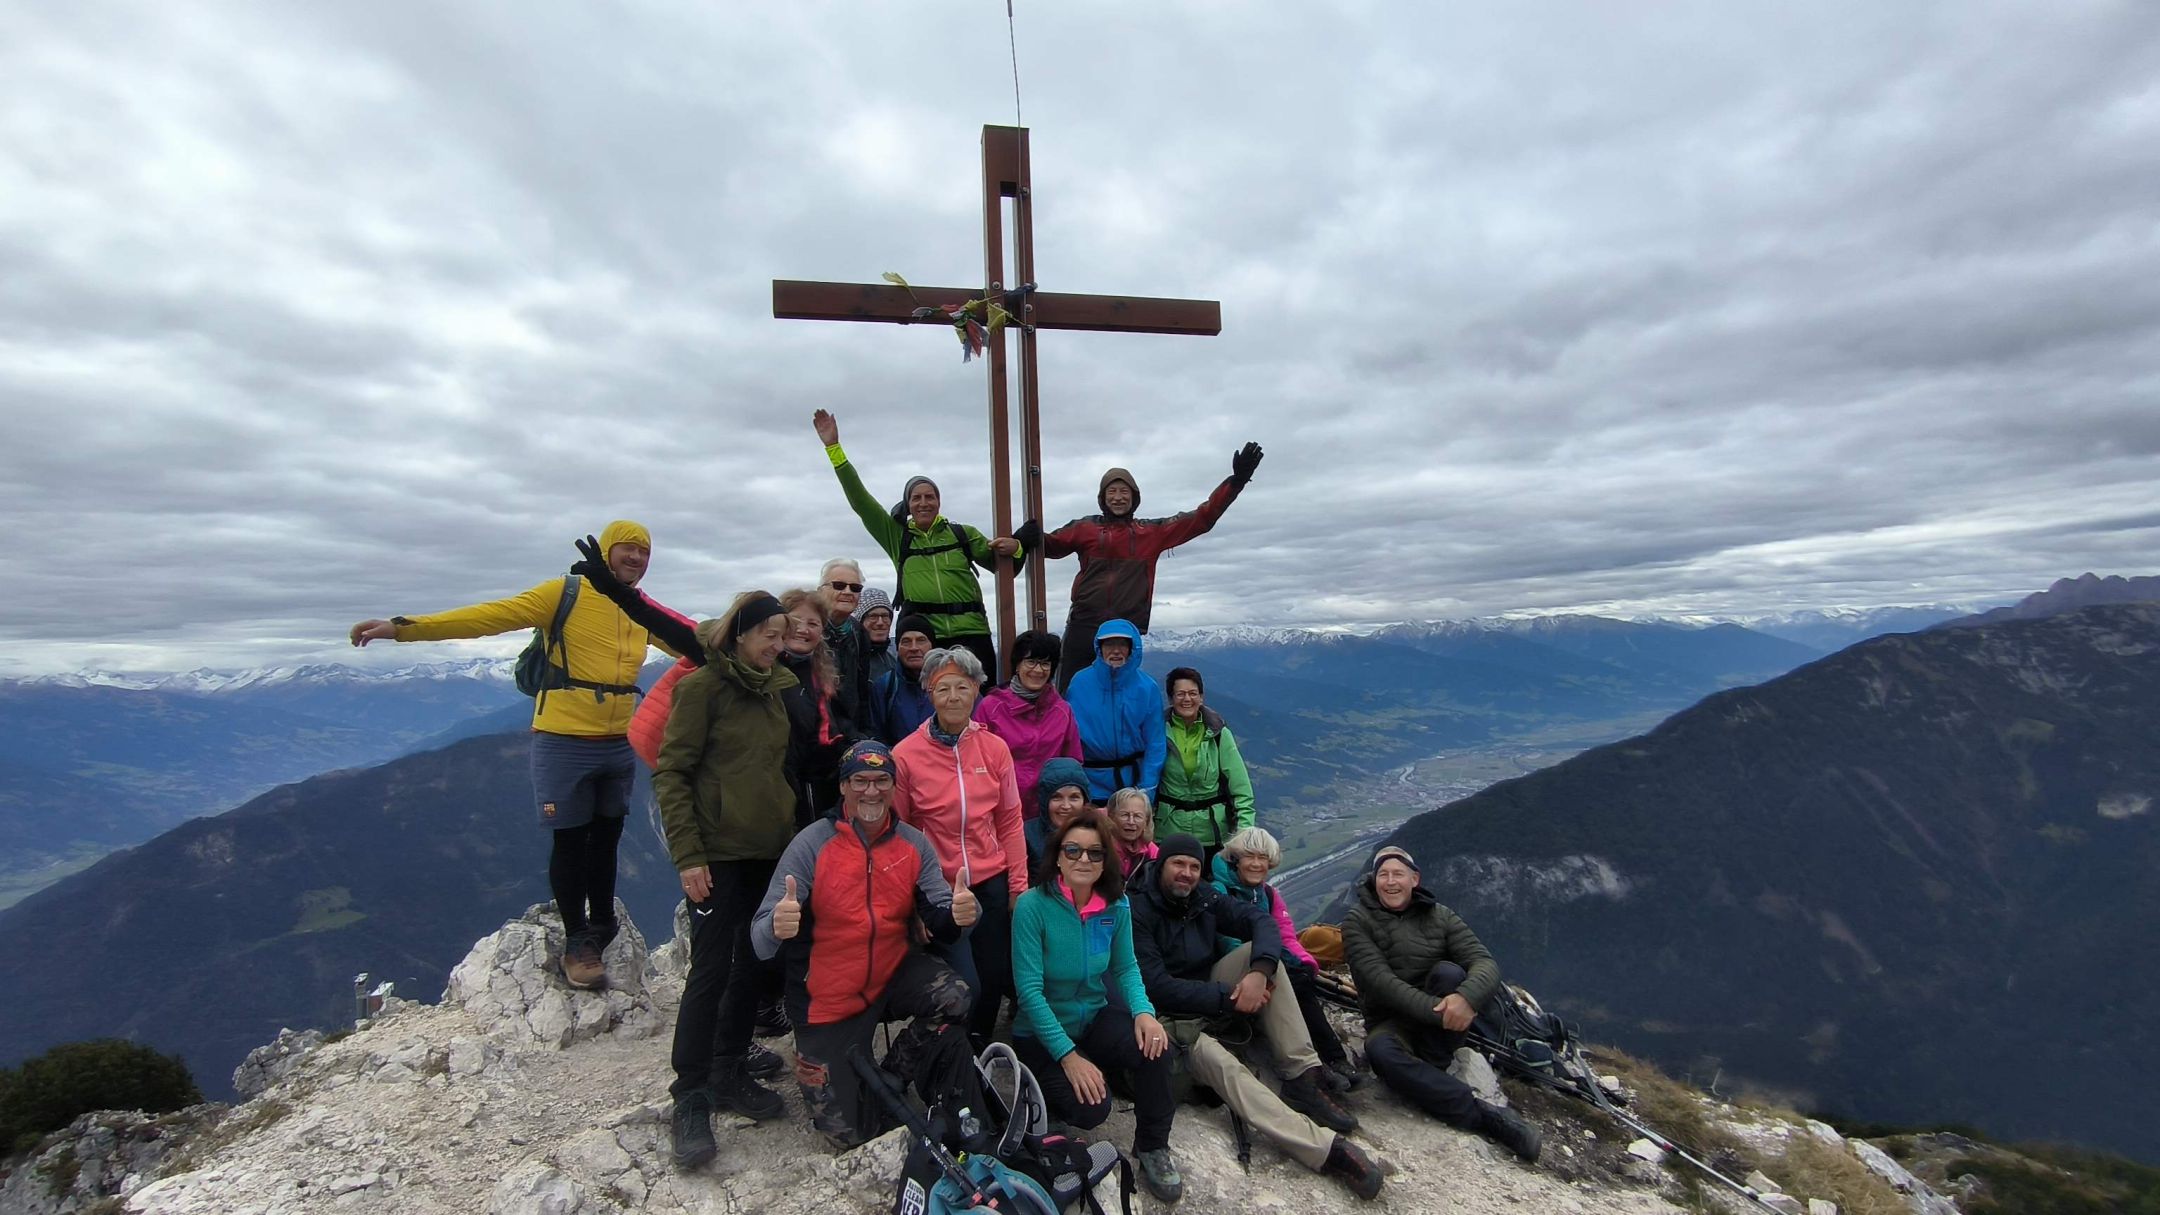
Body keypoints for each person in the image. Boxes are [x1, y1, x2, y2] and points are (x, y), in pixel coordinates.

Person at [348, 520, 673, 990]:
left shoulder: (640, 608)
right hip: (562, 739)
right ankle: (577, 940)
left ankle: (603, 923)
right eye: (628, 549)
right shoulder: (564, 594)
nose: (637, 559)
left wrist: (766, 634)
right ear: (605, 552)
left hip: (618, 741)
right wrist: (401, 629)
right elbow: (489, 616)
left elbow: (692, 641)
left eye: (644, 552)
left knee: (607, 836)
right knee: (569, 839)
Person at [748, 741, 977, 1151]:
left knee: (956, 996)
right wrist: (778, 927)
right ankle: (855, 1071)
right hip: (827, 999)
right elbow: (760, 939)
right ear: (843, 787)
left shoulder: (913, 844)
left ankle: (892, 1073)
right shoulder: (811, 845)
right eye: (860, 781)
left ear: (894, 787)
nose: (871, 791)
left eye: (881, 781)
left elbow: (940, 915)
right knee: (848, 1135)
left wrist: (958, 917)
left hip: (889, 975)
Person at [652, 594, 800, 1156]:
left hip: (767, 849)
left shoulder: (773, 688)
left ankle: (730, 1068)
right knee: (711, 969)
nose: (777, 643)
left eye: (781, 634)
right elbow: (672, 773)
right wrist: (688, 855)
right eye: (767, 633)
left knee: (752, 962)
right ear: (737, 634)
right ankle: (690, 1094)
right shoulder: (702, 688)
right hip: (716, 855)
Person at [1129, 835, 1358, 1136]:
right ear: (1160, 866)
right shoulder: (1137, 909)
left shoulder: (1203, 896)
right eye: (1178, 863)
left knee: (1262, 955)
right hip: (1165, 1010)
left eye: (1194, 866)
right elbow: (1155, 986)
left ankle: (1303, 1075)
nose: (1187, 872)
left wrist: (1259, 972)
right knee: (1224, 1063)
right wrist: (1229, 998)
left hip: (1206, 986)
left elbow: (1260, 921)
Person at [1010, 811, 1184, 1204]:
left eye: (1094, 852)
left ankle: (1153, 1146)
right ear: (1057, 856)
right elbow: (1029, 993)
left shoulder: (1115, 906)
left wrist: (1143, 1012)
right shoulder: (1032, 907)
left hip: (1092, 1016)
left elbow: (1125, 966)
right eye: (1073, 850)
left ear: (1106, 859)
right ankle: (1042, 1100)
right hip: (1040, 1032)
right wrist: (1069, 1057)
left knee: (1157, 1047)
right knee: (1091, 1110)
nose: (1083, 860)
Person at [1342, 846, 1543, 1163]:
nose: (1390, 882)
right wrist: (1443, 1012)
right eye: (1383, 874)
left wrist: (1466, 999)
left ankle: (1429, 1069)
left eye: (1398, 874)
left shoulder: (1441, 915)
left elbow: (1484, 962)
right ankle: (1486, 1116)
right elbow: (1382, 984)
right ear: (1373, 880)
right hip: (1393, 1020)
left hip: (1446, 1022)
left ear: (1415, 879)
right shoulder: (1357, 921)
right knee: (1379, 1051)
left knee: (1450, 973)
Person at [1025, 445, 1262, 688]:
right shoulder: (1085, 529)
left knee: (1122, 692)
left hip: (1125, 628)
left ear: (1134, 496)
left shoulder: (1151, 533)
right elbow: (1051, 546)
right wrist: (1032, 536)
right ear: (1103, 498)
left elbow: (1202, 518)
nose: (1118, 497)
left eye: (1124, 491)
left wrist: (1236, 482)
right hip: (1083, 624)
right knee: (1070, 691)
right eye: (1112, 491)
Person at [812, 409, 1020, 679]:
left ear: (939, 501)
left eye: (930, 497)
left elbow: (1005, 568)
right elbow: (860, 501)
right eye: (917, 498)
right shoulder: (898, 537)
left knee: (981, 701)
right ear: (908, 504)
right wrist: (833, 448)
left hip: (973, 632)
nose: (924, 503)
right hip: (926, 639)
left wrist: (1018, 548)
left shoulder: (962, 534)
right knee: (931, 703)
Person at [890, 647, 1030, 1046]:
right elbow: (900, 833)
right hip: (938, 888)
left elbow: (1009, 820)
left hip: (990, 878)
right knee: (965, 980)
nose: (953, 697)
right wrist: (911, 905)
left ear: (976, 691)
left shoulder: (993, 748)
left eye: (963, 687)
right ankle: (951, 1050)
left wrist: (1017, 886)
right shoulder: (906, 755)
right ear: (929, 695)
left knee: (993, 974)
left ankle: (979, 1048)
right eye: (942, 688)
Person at [1211, 827, 1359, 1091]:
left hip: (1263, 964)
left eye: (1263, 858)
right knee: (1294, 981)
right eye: (1250, 857)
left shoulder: (1267, 894)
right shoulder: (1219, 890)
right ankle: (1324, 1063)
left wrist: (1305, 963)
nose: (1257, 864)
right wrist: (1265, 972)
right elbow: (1227, 942)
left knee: (1300, 977)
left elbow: (1287, 937)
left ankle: (1330, 1059)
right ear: (1235, 859)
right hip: (1234, 970)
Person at [973, 629, 1084, 813]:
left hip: (1049, 811)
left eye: (1045, 663)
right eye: (1031, 662)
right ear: (1017, 665)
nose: (1038, 670)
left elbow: (1073, 763)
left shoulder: (1062, 711)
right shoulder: (991, 707)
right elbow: (976, 760)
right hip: (1001, 808)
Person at [1158, 667, 1256, 865]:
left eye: (1193, 693)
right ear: (1170, 698)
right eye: (1181, 694)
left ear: (1201, 697)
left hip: (1213, 836)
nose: (1187, 699)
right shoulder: (1157, 731)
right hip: (1167, 834)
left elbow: (1241, 788)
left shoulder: (1219, 734)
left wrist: (1243, 834)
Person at [777, 588, 858, 823]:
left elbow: (838, 725)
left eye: (813, 623)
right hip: (776, 791)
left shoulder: (823, 675)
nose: (803, 630)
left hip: (818, 791)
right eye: (795, 622)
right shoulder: (763, 673)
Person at [1065, 619, 1165, 803]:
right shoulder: (1080, 683)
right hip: (1090, 786)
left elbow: (1155, 743)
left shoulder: (1146, 687)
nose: (1116, 650)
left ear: (1132, 648)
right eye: (1110, 644)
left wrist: (1147, 790)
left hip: (1133, 787)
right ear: (1099, 647)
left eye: (1122, 644)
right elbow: (1069, 737)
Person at [864, 613, 936, 745]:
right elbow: (876, 735)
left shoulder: (952, 683)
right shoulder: (885, 686)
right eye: (906, 642)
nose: (914, 648)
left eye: (921, 640)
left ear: (932, 645)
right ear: (897, 648)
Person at [817, 558, 873, 721]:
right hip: (815, 729)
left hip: (850, 728)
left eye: (855, 588)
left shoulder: (859, 633)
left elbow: (861, 690)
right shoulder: (808, 631)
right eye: (839, 585)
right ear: (820, 590)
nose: (848, 592)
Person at [1023, 757, 1092, 886]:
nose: (1066, 806)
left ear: (1085, 800)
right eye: (1056, 797)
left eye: (1074, 797)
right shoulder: (1027, 836)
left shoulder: (1098, 834)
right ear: (1045, 801)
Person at [1106, 787, 1160, 885]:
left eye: (1137, 816)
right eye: (1125, 815)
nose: (1131, 822)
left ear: (1146, 821)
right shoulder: (1101, 845)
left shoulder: (1150, 850)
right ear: (1111, 817)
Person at [854, 588, 895, 689]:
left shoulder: (895, 657)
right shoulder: (851, 658)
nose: (880, 622)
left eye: (885, 616)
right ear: (860, 622)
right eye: (873, 616)